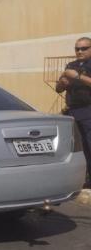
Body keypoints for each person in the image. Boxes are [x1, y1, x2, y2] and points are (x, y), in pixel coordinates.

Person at [56, 36, 91, 188]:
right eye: (77, 48)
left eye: (84, 48)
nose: (80, 51)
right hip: (73, 111)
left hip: (88, 110)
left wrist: (77, 76)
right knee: (79, 147)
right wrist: (62, 83)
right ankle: (85, 179)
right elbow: (59, 89)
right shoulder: (71, 65)